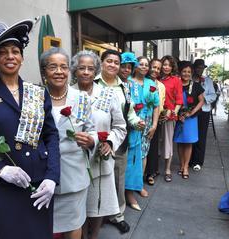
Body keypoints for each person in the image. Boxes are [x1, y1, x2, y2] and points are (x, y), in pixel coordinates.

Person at [0, 19, 60, 239]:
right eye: (3, 52)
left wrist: (52, 177)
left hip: (40, 186)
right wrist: (0, 169)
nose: (10, 56)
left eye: (15, 51)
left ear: (22, 57)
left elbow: (51, 135)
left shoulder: (38, 92)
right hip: (4, 188)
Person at [40, 47, 98, 239]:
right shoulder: (34, 98)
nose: (59, 71)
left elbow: (93, 131)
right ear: (44, 72)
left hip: (74, 174)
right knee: (44, 225)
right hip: (42, 175)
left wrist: (90, 141)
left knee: (74, 223)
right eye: (53, 67)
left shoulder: (81, 98)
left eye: (63, 67)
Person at [71, 50, 127, 239]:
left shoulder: (108, 94)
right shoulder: (67, 93)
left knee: (96, 206)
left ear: (96, 70)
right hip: (73, 161)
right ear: (75, 71)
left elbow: (120, 127)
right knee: (78, 207)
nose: (86, 72)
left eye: (90, 68)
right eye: (81, 68)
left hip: (99, 161)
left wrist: (110, 142)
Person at [95, 50, 145, 233]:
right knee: (94, 178)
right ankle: (95, 215)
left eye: (116, 62)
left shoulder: (125, 88)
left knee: (118, 179)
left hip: (118, 140)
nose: (113, 65)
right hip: (94, 140)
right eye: (109, 61)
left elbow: (129, 112)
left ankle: (117, 215)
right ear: (101, 62)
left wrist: (136, 122)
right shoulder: (91, 83)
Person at [125, 56, 159, 209]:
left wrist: (155, 125)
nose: (145, 67)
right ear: (135, 66)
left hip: (147, 121)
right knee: (131, 153)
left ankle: (138, 184)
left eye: (147, 65)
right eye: (141, 64)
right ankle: (127, 186)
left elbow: (156, 105)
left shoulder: (151, 83)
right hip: (130, 121)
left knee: (143, 153)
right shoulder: (128, 81)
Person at [173, 61, 204, 179]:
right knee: (180, 142)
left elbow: (201, 101)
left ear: (191, 73)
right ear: (180, 72)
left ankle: (186, 166)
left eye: (189, 72)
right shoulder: (177, 84)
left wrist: (192, 112)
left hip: (190, 119)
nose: (186, 74)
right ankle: (181, 165)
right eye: (184, 71)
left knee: (188, 142)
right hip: (178, 117)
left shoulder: (195, 85)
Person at [159, 55, 183, 182]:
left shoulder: (176, 80)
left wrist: (173, 112)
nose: (166, 67)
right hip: (155, 114)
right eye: (164, 64)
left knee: (167, 142)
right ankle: (153, 168)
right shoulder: (156, 78)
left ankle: (167, 169)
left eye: (169, 65)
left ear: (172, 66)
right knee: (155, 142)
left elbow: (179, 101)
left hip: (169, 116)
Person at [190, 59, 216, 171]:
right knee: (191, 135)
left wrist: (203, 99)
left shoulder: (208, 80)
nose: (200, 70)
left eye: (202, 68)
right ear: (194, 68)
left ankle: (198, 161)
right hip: (192, 111)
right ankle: (190, 159)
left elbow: (213, 95)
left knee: (201, 136)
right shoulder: (190, 79)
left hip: (204, 111)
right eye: (198, 67)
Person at [145, 58, 165, 185]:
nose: (155, 70)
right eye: (153, 67)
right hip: (142, 117)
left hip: (155, 118)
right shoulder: (143, 81)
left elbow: (161, 103)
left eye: (158, 68)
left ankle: (150, 173)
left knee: (153, 147)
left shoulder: (161, 85)